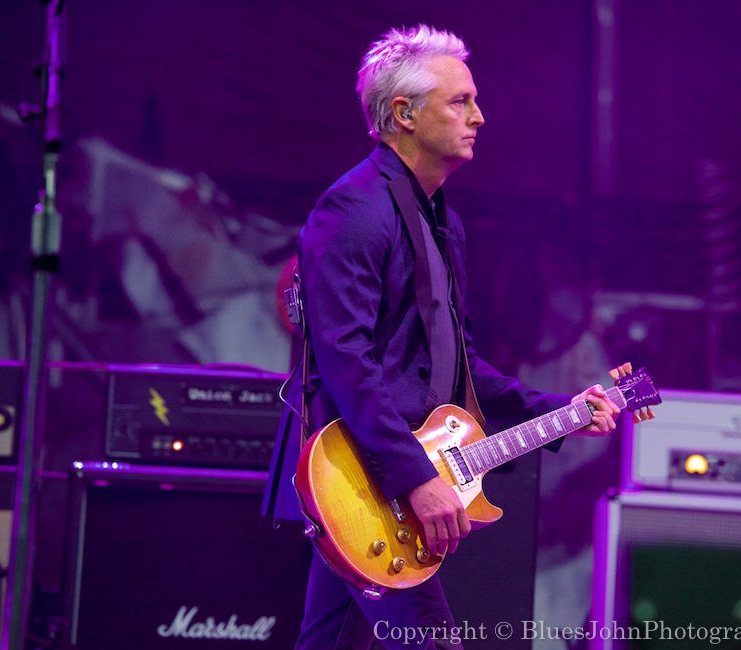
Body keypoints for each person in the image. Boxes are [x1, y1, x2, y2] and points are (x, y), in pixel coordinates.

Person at [263, 24, 625, 650]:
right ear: (403, 113)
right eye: (460, 101)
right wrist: (415, 477)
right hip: (366, 479)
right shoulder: (351, 212)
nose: (479, 117)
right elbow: (348, 361)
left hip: (381, 487)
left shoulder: (443, 224)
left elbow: (458, 366)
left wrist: (560, 411)